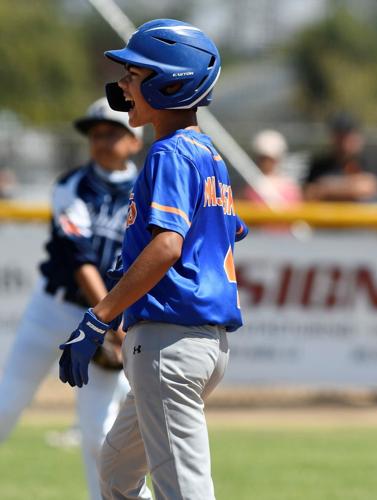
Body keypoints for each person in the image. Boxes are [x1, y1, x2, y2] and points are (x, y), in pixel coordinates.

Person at [57, 19, 248, 500]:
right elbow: (228, 230)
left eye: (135, 74)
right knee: (117, 473)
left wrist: (100, 316)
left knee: (183, 490)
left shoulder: (167, 153)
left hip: (170, 343)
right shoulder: (209, 154)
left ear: (170, 83)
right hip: (195, 341)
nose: (123, 85)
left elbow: (167, 246)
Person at [0, 97, 143, 500]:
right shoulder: (71, 186)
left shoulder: (147, 191)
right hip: (54, 310)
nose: (101, 140)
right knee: (5, 405)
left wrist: (113, 322)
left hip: (105, 319)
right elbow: (81, 261)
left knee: (100, 433)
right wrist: (111, 323)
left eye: (112, 133)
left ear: (134, 141)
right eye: (95, 134)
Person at [303, 112, 377, 201]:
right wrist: (350, 187)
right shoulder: (320, 165)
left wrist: (327, 187)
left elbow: (369, 186)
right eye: (340, 137)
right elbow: (310, 193)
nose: (344, 143)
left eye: (348, 136)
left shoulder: (371, 160)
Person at [241, 129, 302, 205]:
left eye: (270, 159)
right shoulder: (249, 185)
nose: (266, 163)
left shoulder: (290, 187)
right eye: (263, 159)